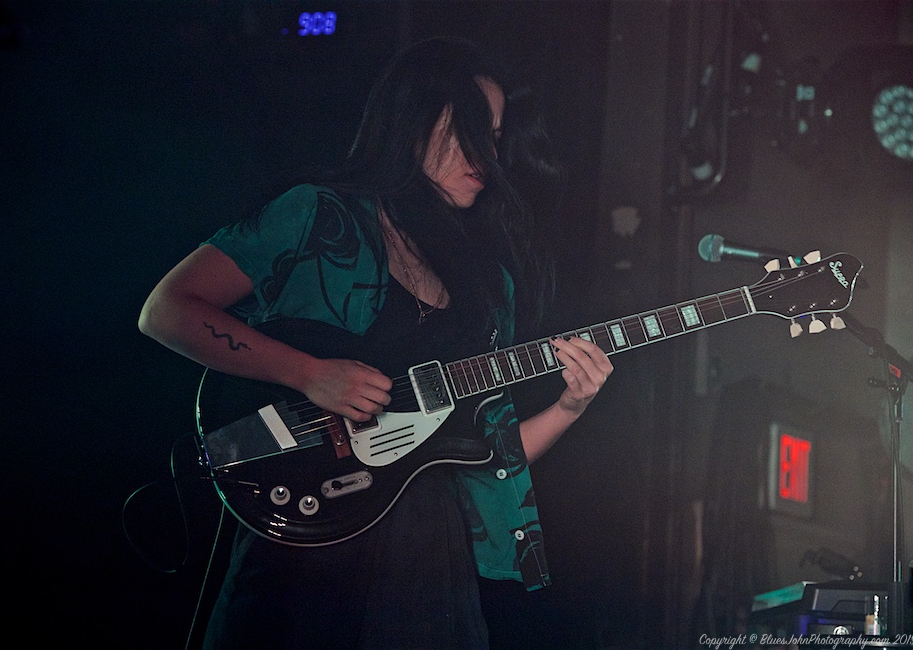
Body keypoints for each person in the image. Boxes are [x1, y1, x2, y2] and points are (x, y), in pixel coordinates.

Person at [139, 36, 612, 649]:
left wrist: (569, 406)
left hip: (427, 574)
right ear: (417, 120)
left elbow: (487, 453)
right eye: (472, 128)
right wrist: (307, 373)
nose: (490, 156)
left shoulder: (488, 281)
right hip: (303, 551)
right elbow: (166, 309)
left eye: (495, 137)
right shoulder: (317, 217)